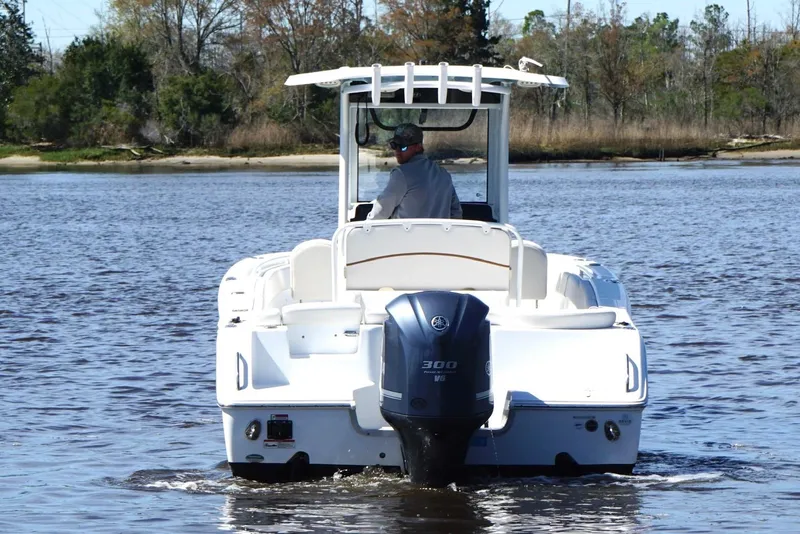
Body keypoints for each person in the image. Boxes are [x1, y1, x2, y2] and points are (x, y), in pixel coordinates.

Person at [367, 123, 462, 220]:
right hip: (440, 235)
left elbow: (381, 211)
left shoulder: (401, 174)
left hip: (405, 235)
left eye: (403, 147)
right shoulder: (444, 174)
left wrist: (365, 227)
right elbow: (456, 213)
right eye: (394, 145)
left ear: (418, 147)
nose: (397, 151)